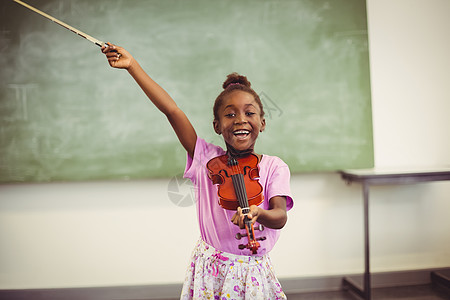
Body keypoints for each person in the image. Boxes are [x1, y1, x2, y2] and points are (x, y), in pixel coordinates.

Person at [102, 43, 293, 299]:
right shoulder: (206, 158)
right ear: (217, 125)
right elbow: (172, 110)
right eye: (229, 114)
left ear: (262, 122)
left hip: (252, 275)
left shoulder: (274, 166)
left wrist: (258, 212)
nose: (240, 119)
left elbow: (280, 216)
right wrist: (132, 66)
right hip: (210, 271)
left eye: (249, 113)